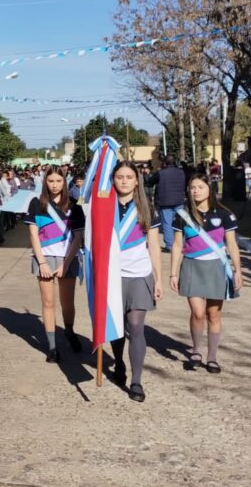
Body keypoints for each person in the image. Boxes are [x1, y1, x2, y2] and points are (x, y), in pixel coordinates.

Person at [170, 173, 243, 373]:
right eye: (192, 188)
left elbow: (232, 244)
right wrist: (173, 273)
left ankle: (212, 357)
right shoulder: (182, 214)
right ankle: (196, 350)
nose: (196, 191)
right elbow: (177, 245)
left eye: (200, 187)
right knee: (198, 313)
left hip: (217, 268)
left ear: (210, 189)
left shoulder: (225, 214)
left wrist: (238, 270)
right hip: (192, 266)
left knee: (214, 314)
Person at [108, 161, 164, 403]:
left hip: (140, 274)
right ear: (113, 179)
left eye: (129, 177)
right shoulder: (104, 207)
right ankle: (119, 362)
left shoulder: (147, 208)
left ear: (136, 180)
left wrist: (158, 279)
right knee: (117, 326)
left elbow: (154, 245)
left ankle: (136, 381)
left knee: (136, 325)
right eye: (119, 176)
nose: (124, 181)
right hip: (113, 275)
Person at [25, 166, 85, 362]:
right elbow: (33, 234)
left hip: (68, 258)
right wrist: (41, 262)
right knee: (48, 303)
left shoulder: (74, 205)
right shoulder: (36, 204)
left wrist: (66, 263)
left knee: (67, 304)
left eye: (59, 181)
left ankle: (69, 331)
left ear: (64, 182)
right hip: (44, 258)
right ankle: (52, 346)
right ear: (45, 182)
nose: (55, 185)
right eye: (51, 181)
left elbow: (78, 237)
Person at [146, 155, 186, 251]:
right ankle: (181, 244)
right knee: (180, 223)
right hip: (179, 200)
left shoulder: (161, 173)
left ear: (164, 163)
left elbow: (150, 182)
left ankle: (170, 245)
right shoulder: (181, 172)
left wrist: (148, 175)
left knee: (167, 223)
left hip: (165, 201)